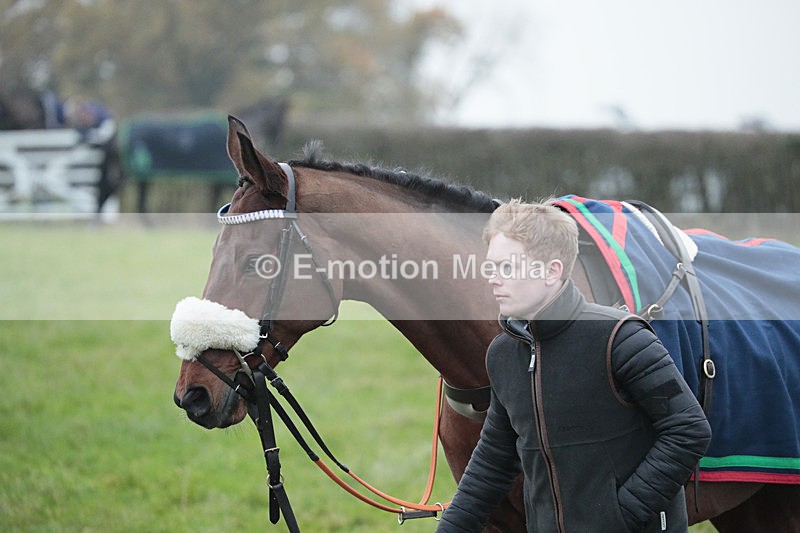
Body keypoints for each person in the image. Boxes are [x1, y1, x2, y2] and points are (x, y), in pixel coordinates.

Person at [437, 200, 712, 532]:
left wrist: (622, 514)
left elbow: (688, 429)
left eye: (507, 268)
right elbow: (492, 461)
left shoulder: (621, 339)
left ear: (552, 271)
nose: (494, 280)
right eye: (491, 267)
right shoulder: (504, 355)